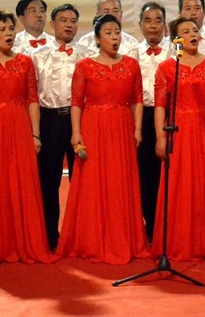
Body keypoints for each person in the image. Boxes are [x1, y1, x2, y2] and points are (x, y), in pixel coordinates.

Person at [0, 10, 55, 265]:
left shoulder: (25, 62)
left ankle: (23, 243)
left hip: (19, 128)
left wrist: (35, 134)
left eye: (11, 29)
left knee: (21, 183)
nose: (8, 34)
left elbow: (33, 100)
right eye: (2, 29)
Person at [57, 14, 148, 263]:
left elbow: (137, 99)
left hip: (122, 126)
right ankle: (92, 239)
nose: (114, 37)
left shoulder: (131, 65)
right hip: (93, 126)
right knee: (93, 181)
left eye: (117, 32)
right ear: (97, 39)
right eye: (108, 33)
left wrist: (137, 128)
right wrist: (76, 132)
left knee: (120, 180)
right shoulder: (84, 66)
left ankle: (123, 238)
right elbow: (77, 102)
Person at [152, 17, 205, 261]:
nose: (192, 34)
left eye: (195, 30)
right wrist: (160, 136)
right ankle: (180, 243)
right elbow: (160, 106)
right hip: (178, 129)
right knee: (180, 184)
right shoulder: (167, 68)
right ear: (176, 39)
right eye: (186, 31)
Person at [29, 3, 89, 250]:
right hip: (49, 121)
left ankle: (81, 236)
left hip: (80, 121)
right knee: (48, 181)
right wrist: (35, 132)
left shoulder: (87, 55)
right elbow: (32, 95)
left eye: (73, 21)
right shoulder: (38, 55)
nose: (69, 25)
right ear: (52, 24)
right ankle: (49, 236)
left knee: (82, 181)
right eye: (63, 20)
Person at [135, 2, 169, 242]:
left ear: (165, 25)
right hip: (143, 116)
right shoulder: (132, 53)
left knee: (169, 173)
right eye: (148, 20)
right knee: (145, 174)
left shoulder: (175, 52)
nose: (153, 25)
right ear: (140, 25)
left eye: (158, 20)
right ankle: (150, 227)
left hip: (170, 116)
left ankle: (170, 226)